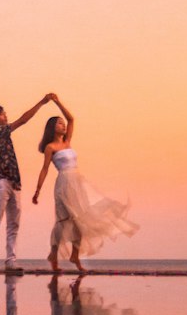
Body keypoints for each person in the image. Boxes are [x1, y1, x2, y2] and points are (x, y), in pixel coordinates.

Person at [32, 94, 138, 273]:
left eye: (62, 123)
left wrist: (58, 102)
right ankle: (54, 254)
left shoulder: (67, 142)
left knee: (81, 220)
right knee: (64, 221)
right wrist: (37, 190)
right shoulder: (50, 147)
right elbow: (44, 169)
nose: (63, 125)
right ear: (52, 128)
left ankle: (74, 255)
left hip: (78, 182)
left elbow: (71, 118)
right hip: (64, 184)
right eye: (59, 123)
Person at [0, 93, 53, 272]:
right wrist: (41, 102)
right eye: (2, 114)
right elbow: (23, 120)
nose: (6, 116)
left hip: (14, 182)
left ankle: (11, 260)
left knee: (13, 224)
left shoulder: (2, 133)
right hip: (2, 181)